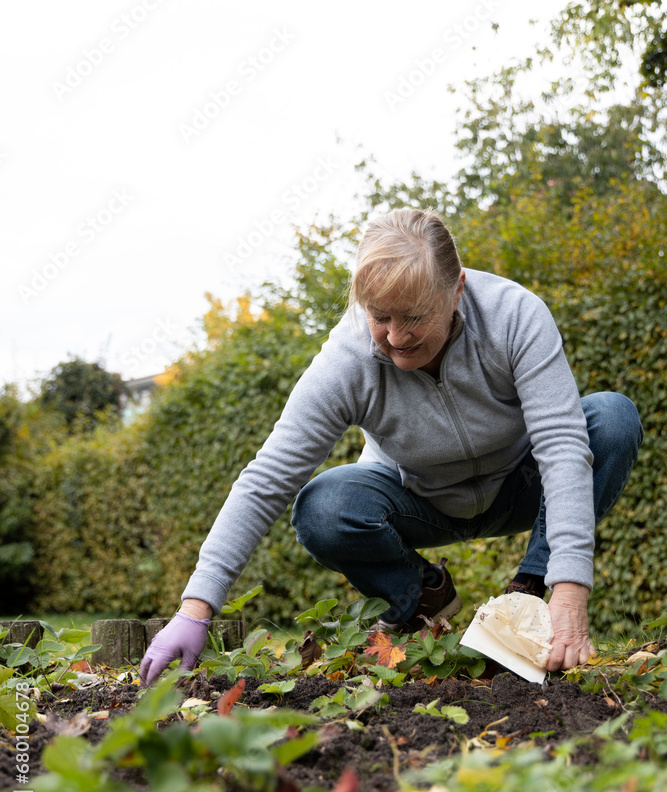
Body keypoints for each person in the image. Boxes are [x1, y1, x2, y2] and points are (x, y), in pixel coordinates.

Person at [140, 207, 643, 687]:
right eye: (380, 316)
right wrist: (196, 607)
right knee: (324, 506)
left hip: (521, 484)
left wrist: (569, 590)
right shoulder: (348, 360)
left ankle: (526, 595)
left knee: (612, 419)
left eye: (415, 317)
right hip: (418, 501)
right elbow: (268, 477)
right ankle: (422, 598)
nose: (396, 337)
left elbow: (560, 444)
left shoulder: (513, 316)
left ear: (456, 289)